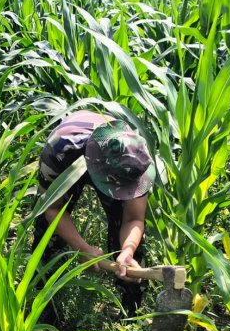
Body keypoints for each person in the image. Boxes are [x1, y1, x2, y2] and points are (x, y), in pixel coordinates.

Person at [34, 110, 157, 320]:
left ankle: (131, 311)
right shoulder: (59, 151)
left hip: (114, 167)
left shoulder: (137, 160)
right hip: (73, 157)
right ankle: (44, 304)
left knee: (127, 240)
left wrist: (127, 251)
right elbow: (52, 209)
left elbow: (134, 218)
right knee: (46, 234)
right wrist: (82, 249)